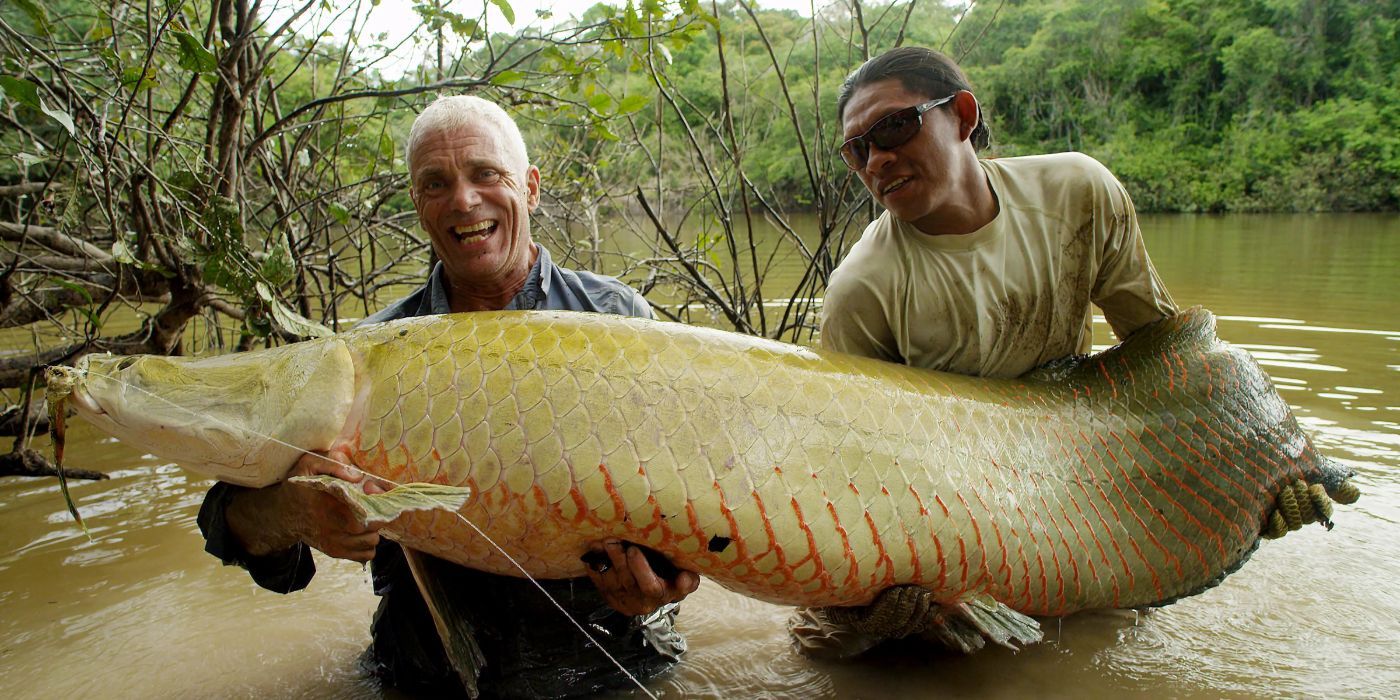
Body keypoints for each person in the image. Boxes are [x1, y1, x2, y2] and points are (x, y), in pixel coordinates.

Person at [197, 95, 700, 697]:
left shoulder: (620, 322)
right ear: (419, 206)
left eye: (486, 173)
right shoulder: (366, 355)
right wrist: (297, 512)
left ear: (531, 188)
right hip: (423, 673)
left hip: (609, 665)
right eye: (436, 183)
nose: (463, 199)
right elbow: (236, 529)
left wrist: (666, 581)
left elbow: (691, 497)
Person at [792, 46, 1178, 657]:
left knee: (1106, 646)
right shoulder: (863, 287)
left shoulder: (1078, 193)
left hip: (1067, 478)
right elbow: (843, 465)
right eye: (857, 149)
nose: (877, 159)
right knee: (833, 647)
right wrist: (865, 602)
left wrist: (1263, 458)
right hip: (937, 507)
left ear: (963, 116)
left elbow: (1163, 354)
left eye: (893, 126)